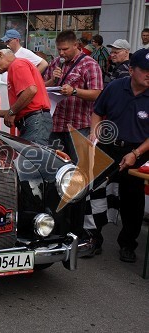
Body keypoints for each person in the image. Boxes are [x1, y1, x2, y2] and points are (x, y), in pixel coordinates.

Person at [89, 48, 149, 263]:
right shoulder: (114, 87)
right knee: (96, 194)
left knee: (132, 200)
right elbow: (97, 112)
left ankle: (128, 244)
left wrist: (136, 153)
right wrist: (94, 134)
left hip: (138, 152)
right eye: (145, 70)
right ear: (131, 70)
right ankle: (93, 239)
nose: (148, 74)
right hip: (107, 147)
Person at [44, 30, 103, 163]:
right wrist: (52, 80)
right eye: (59, 49)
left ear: (76, 45)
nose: (61, 53)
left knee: (79, 167)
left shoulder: (89, 64)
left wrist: (74, 91)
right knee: (53, 165)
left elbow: (97, 94)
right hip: (55, 125)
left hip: (78, 126)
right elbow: (42, 87)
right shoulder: (55, 63)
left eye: (65, 49)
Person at [0, 42, 52, 146]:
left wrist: (11, 112)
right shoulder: (17, 65)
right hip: (35, 120)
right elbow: (28, 105)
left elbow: (31, 90)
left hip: (35, 120)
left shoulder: (17, 65)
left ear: (1, 55)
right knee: (30, 157)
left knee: (31, 158)